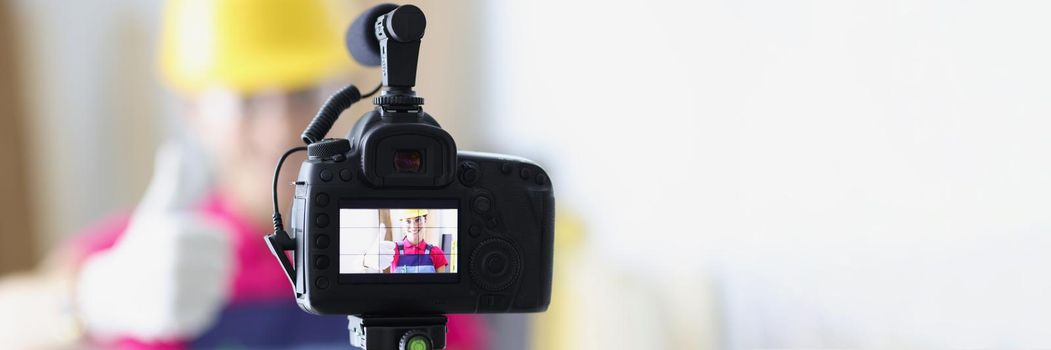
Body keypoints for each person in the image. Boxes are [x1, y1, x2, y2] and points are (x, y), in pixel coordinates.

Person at [0, 0, 487, 348]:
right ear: (192, 112)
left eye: (300, 90)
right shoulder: (149, 249)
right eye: (246, 100)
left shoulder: (404, 248)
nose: (280, 126)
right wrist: (92, 298)